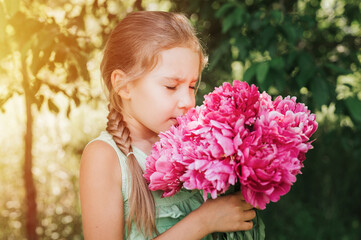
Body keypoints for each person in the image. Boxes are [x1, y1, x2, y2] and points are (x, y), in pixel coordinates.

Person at [79, 11, 256, 240]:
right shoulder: (104, 157)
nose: (188, 102)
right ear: (123, 86)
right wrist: (204, 221)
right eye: (171, 86)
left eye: (192, 86)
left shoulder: (194, 141)